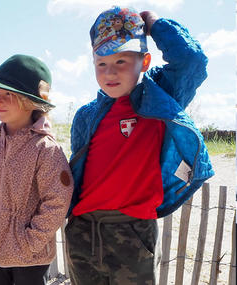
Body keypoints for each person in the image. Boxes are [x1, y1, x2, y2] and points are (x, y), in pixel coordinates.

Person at [66, 7, 214, 284]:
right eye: (101, 63)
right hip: (82, 230)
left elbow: (192, 61)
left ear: (144, 62)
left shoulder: (159, 95)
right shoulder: (86, 114)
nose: (110, 72)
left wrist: (155, 24)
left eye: (121, 61)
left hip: (132, 230)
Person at [0, 54, 73, 285]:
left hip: (30, 260)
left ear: (30, 101)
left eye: (9, 94)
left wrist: (29, 242)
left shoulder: (45, 149)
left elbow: (57, 202)